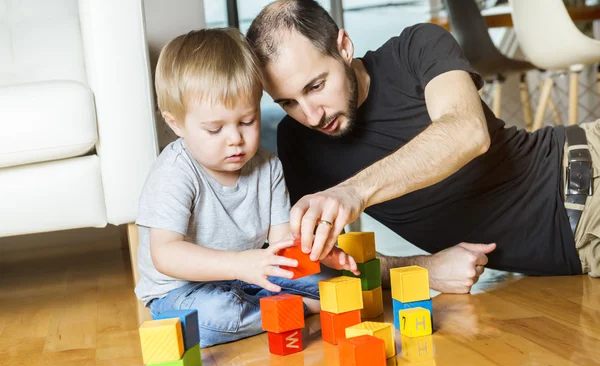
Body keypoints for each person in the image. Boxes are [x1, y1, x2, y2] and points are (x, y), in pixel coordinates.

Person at [246, 0, 600, 294]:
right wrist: (423, 268)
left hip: (586, 172)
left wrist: (353, 191)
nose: (311, 115)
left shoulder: (417, 47)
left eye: (316, 86)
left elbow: (467, 131)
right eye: (287, 103)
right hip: (574, 257)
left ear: (343, 47)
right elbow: (319, 264)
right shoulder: (298, 141)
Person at [134, 28, 358, 348]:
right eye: (215, 129)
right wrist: (239, 264)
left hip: (254, 273)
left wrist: (317, 253)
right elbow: (166, 254)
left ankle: (281, 308)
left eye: (247, 121)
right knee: (215, 316)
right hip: (183, 290)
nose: (235, 139)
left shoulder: (268, 167)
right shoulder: (174, 173)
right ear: (176, 124)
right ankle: (299, 309)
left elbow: (283, 244)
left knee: (336, 282)